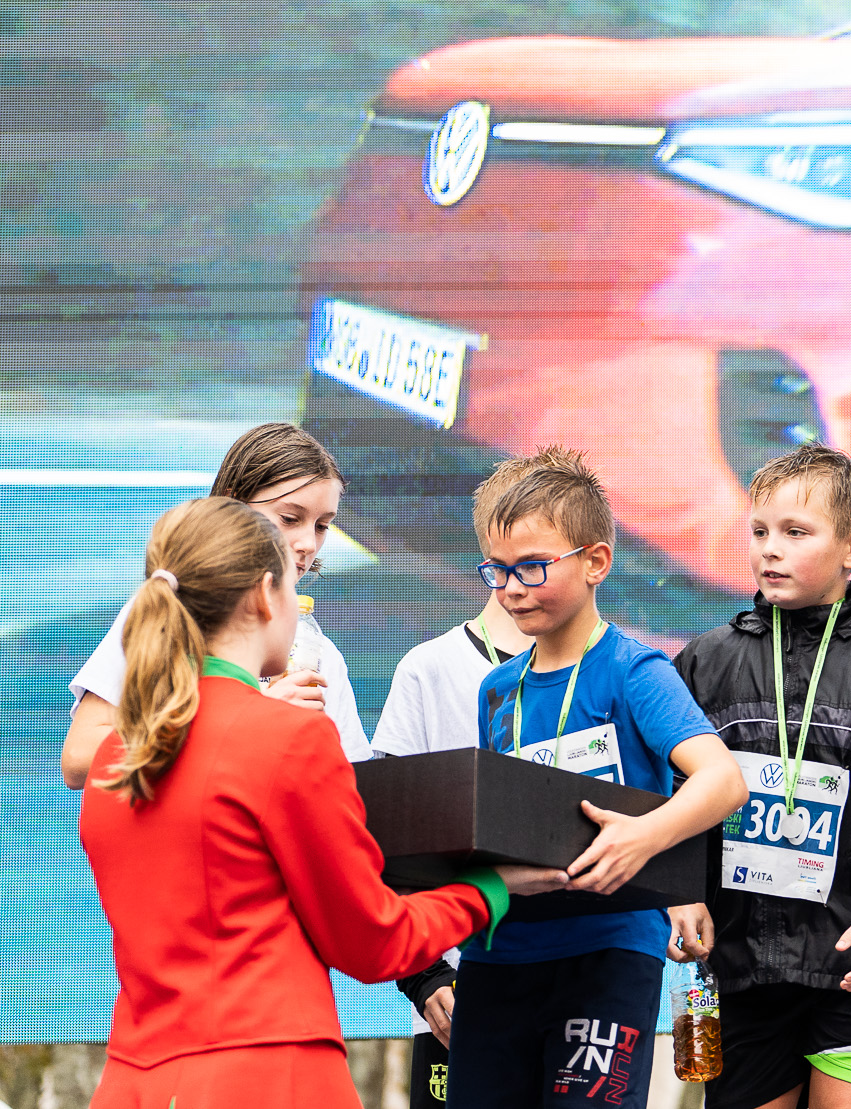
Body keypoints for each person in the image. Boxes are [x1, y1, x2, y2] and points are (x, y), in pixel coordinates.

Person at [79, 496, 568, 1109]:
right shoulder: (289, 739)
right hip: (269, 1080)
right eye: (294, 587)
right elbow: (374, 941)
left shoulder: (116, 756)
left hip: (134, 1082)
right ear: (266, 595)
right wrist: (491, 888)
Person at [450, 445, 748, 1108]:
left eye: (532, 566)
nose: (512, 588)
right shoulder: (498, 688)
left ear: (596, 561)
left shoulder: (635, 672)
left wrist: (645, 840)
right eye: (496, 570)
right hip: (501, 951)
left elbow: (723, 781)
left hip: (610, 947)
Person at [667, 443, 851, 1109]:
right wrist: (681, 892)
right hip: (742, 960)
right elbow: (673, 796)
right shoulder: (705, 661)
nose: (770, 550)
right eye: (760, 531)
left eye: (796, 533)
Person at [61, 422, 368, 787]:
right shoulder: (165, 611)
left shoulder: (320, 655)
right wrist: (252, 721)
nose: (308, 543)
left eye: (322, 526)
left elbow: (355, 781)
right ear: (232, 506)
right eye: (289, 519)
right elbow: (78, 759)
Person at [371, 454, 538, 1109]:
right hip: (460, 992)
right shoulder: (429, 668)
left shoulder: (615, 669)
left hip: (581, 986)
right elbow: (385, 843)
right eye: (512, 558)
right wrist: (424, 974)